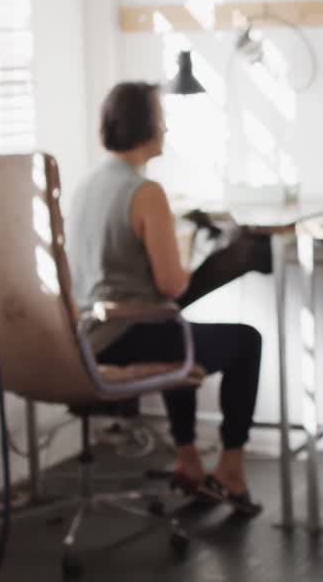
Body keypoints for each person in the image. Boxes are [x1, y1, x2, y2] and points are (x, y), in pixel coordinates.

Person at [66, 81, 271, 517]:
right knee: (245, 342)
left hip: (88, 335)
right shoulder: (146, 192)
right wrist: (198, 251)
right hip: (126, 334)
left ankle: (189, 458)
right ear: (148, 126)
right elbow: (173, 285)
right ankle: (231, 468)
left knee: (178, 331)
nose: (165, 126)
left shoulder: (85, 185)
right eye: (161, 117)